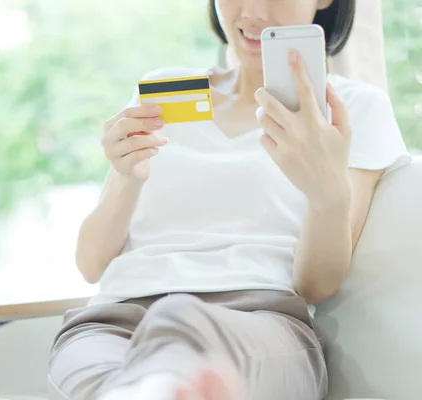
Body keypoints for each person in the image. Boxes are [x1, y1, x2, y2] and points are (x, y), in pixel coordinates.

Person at [48, 0, 411, 399]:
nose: (253, 11)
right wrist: (125, 175)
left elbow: (316, 284)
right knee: (101, 367)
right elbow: (90, 264)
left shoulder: (352, 109)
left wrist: (327, 194)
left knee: (175, 326)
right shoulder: (169, 91)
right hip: (115, 323)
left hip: (261, 324)